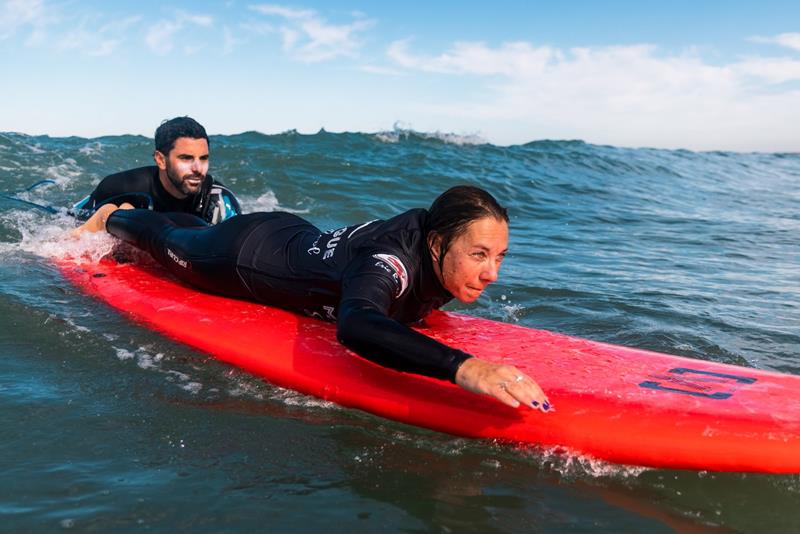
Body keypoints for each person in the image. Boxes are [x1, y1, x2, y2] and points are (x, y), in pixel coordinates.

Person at [75, 185, 550, 411]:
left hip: (292, 234)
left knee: (194, 229)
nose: (491, 273)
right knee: (169, 240)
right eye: (479, 255)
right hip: (241, 258)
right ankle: (114, 215)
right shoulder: (390, 262)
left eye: (501, 256)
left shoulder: (436, 242)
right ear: (437, 245)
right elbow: (357, 324)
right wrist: (466, 368)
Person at [72, 116, 241, 225]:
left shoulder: (220, 202)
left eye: (203, 158)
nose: (198, 169)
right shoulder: (119, 187)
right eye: (186, 158)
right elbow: (72, 221)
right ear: (161, 160)